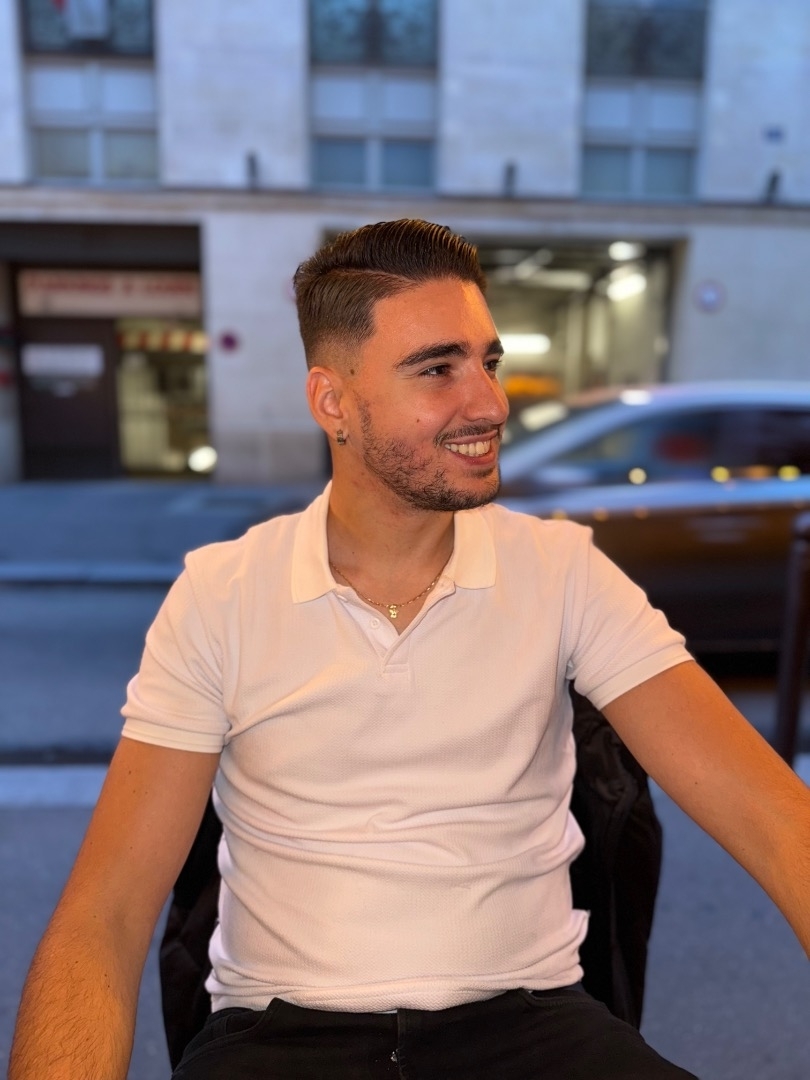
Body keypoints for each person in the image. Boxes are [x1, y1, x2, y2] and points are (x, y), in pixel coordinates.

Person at [10, 219, 810, 1080]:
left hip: (533, 1028)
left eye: (488, 362)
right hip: (281, 1041)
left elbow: (773, 819)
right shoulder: (221, 594)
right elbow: (106, 913)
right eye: (438, 369)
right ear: (333, 403)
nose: (490, 403)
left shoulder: (564, 571)